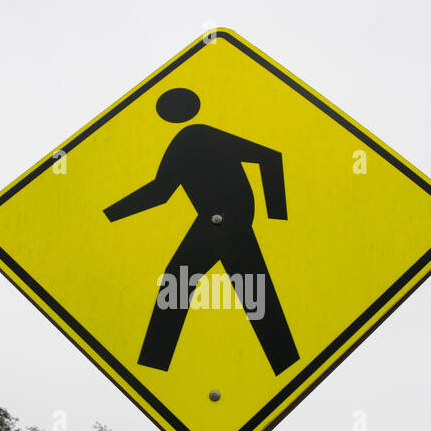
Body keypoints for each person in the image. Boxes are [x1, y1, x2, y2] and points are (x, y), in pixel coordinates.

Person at [104, 88, 300, 375]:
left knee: (179, 280)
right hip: (220, 218)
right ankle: (285, 361)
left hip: (225, 218)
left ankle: (153, 364)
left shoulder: (197, 135)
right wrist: (110, 214)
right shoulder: (186, 140)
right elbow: (161, 192)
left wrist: (278, 217)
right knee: (252, 288)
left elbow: (269, 158)